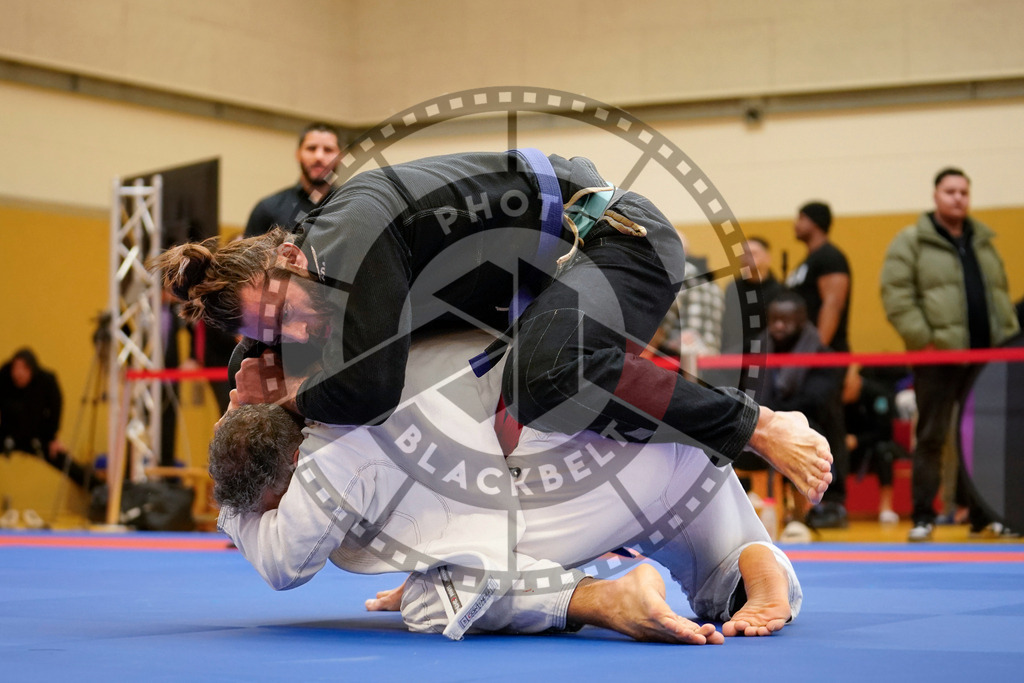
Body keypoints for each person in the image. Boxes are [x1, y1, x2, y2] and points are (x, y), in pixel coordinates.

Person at [155, 150, 833, 504]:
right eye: (274, 329)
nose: (296, 330)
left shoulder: (352, 233)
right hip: (546, 287)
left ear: (290, 258)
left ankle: (758, 424)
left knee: (544, 376)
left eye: (287, 312)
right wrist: (245, 397)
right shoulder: (300, 279)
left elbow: (370, 387)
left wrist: (284, 399)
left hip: (617, 240)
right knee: (499, 403)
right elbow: (250, 360)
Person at [212, 331, 802, 642]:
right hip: (675, 452)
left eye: (272, 505)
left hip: (574, 479)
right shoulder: (390, 340)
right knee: (713, 546)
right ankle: (750, 557)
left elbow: (285, 562)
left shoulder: (327, 444)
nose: (236, 393)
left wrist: (233, 497)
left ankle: (604, 601)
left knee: (437, 598)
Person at [881, 167, 1019, 542]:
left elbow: (1000, 297)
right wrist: (924, 341)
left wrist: (1008, 344)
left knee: (986, 439)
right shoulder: (911, 241)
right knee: (931, 435)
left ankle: (985, 515)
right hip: (937, 358)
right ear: (935, 196)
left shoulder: (982, 241)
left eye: (963, 192)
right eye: (950, 191)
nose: (958, 197)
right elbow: (896, 295)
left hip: (986, 359)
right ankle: (924, 516)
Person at [761, 291, 849, 529]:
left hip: (814, 431)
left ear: (801, 321)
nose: (778, 326)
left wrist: (774, 413)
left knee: (804, 430)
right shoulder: (758, 351)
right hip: (765, 429)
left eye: (786, 320)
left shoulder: (823, 356)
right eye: (774, 319)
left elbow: (813, 401)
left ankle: (815, 507)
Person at [0, 349, 92, 489]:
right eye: (15, 368)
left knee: (63, 461)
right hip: (8, 433)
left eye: (23, 368)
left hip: (39, 436)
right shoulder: (4, 378)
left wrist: (53, 437)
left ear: (31, 369)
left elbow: (56, 408)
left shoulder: (46, 381)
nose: (18, 374)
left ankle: (99, 488)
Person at [243, 122, 342, 238]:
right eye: (311, 148)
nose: (319, 156)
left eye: (328, 150)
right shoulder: (267, 209)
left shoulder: (353, 208)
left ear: (340, 157)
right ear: (298, 154)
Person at [786, 202, 852, 352]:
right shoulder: (809, 260)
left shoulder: (830, 257)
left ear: (815, 221)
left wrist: (817, 350)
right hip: (802, 349)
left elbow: (833, 305)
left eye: (801, 218)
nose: (796, 224)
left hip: (825, 354)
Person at [842, 364, 904, 524]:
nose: (843, 392)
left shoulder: (877, 395)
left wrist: (858, 440)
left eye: (846, 387)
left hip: (877, 444)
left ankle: (886, 507)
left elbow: (885, 432)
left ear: (856, 381)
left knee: (884, 451)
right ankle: (832, 505)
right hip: (852, 448)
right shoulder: (838, 399)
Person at [721, 236, 785, 355]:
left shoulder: (779, 291)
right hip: (734, 354)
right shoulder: (733, 288)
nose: (747, 258)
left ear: (767, 258)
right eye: (744, 254)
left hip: (768, 353)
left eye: (753, 253)